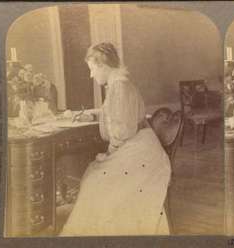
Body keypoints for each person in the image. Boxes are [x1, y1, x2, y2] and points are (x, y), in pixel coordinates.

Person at [60, 42, 171, 236]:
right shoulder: (118, 84)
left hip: (140, 151)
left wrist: (109, 154)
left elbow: (122, 132)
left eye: (92, 69)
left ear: (102, 65)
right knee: (95, 175)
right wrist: (91, 116)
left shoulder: (119, 87)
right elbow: (113, 113)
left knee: (96, 179)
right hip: (140, 145)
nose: (91, 75)